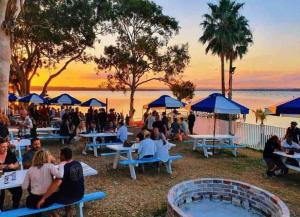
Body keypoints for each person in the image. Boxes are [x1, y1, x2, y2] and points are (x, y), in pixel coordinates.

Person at [37, 148, 84, 217]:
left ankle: (56, 215)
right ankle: (68, 214)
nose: (59, 156)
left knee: (47, 199)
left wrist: (43, 198)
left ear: (63, 156)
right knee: (68, 189)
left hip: (70, 197)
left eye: (60, 155)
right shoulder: (77, 163)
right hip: (80, 194)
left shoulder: (63, 168)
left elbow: (56, 183)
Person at [0, 138, 22, 210]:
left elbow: (17, 164)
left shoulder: (10, 153)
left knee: (18, 190)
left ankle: (15, 207)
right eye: (3, 147)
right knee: (0, 192)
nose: (5, 148)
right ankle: (1, 210)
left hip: (9, 178)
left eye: (6, 146)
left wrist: (14, 166)